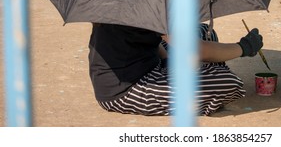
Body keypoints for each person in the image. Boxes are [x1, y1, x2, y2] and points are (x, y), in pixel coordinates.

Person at [88, 22, 263, 116]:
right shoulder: (147, 3)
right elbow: (197, 50)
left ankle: (200, 70)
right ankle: (203, 74)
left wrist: (168, 60)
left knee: (202, 30)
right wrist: (244, 47)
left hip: (145, 64)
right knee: (227, 82)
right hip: (126, 90)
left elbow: (148, 39)